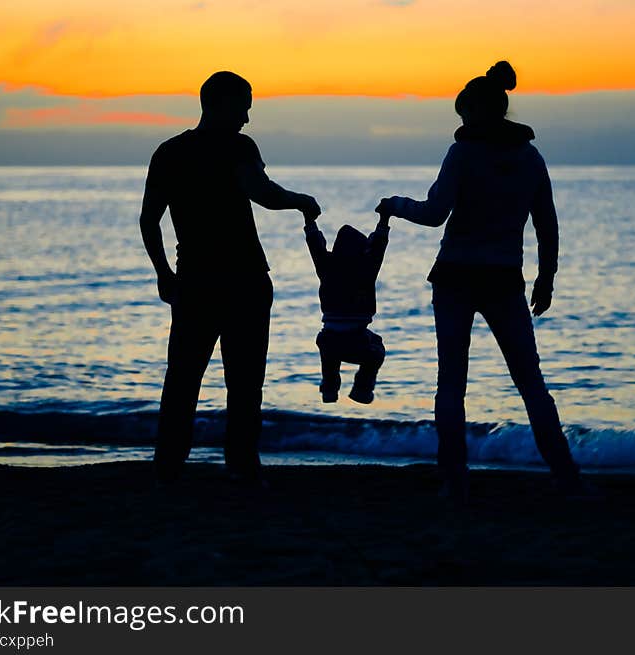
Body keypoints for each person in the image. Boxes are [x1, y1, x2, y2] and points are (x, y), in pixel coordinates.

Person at [376, 61, 584, 502]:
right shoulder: (529, 157)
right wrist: (546, 277)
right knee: (531, 381)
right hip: (505, 278)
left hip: (455, 276)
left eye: (463, 115)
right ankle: (566, 476)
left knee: (451, 381)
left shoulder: (464, 153)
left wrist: (395, 204)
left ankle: (455, 481)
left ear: (472, 112)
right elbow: (547, 223)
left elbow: (433, 214)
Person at [140, 71, 321, 484]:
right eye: (243, 108)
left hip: (194, 281)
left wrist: (163, 274)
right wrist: (301, 202)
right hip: (243, 280)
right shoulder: (238, 147)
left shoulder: (169, 151)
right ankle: (241, 464)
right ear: (220, 104)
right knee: (244, 381)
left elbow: (149, 221)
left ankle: (169, 464)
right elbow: (263, 192)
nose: (246, 118)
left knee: (183, 378)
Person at [303, 214, 390, 404]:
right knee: (377, 350)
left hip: (329, 337)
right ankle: (362, 390)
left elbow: (315, 245)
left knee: (329, 361)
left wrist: (308, 219)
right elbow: (378, 247)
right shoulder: (367, 268)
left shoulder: (327, 266)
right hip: (356, 336)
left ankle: (329, 391)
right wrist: (384, 220)